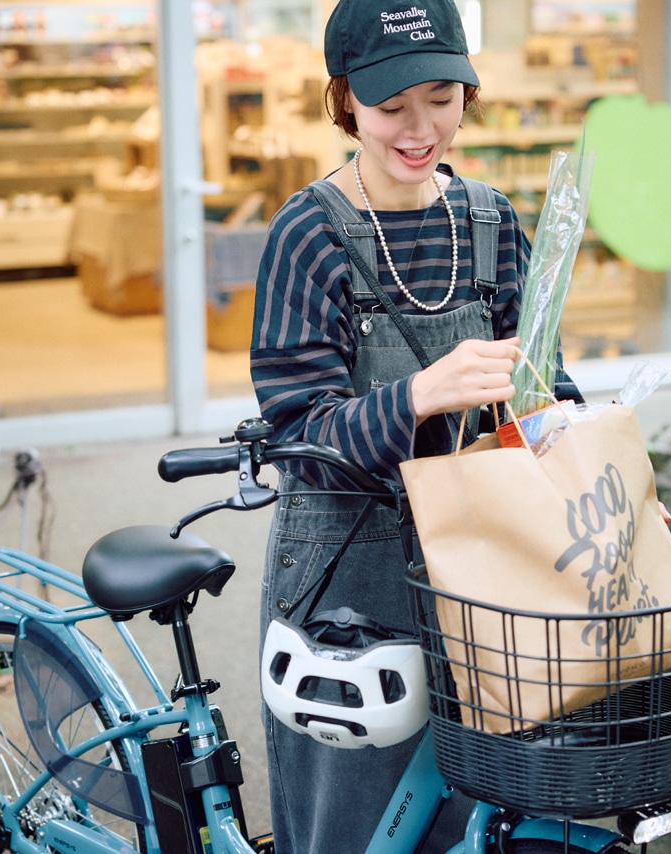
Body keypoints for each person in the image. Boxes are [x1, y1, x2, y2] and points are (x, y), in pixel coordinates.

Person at [249, 1, 566, 851]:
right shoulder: (307, 233)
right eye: (392, 106)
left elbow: (542, 393)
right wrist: (419, 395)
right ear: (345, 101)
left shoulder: (494, 225)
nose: (420, 128)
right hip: (349, 569)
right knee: (353, 827)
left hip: (486, 563)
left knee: (477, 812)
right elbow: (298, 434)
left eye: (441, 96)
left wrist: (603, 495)